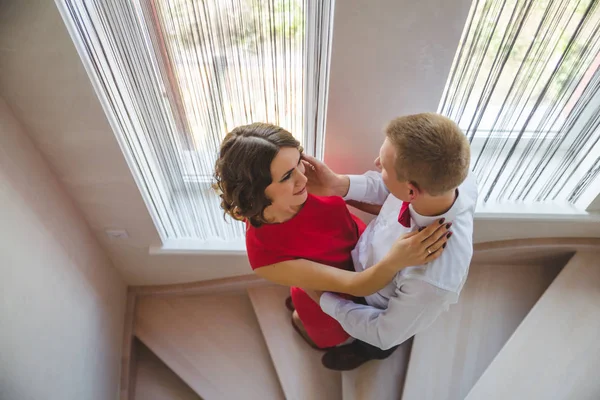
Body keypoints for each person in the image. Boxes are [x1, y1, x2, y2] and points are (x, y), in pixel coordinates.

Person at [214, 122, 451, 349]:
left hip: (363, 253)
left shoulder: (307, 185)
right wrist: (397, 260)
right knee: (332, 330)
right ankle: (304, 324)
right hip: (338, 289)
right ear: (254, 192)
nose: (303, 178)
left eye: (299, 162)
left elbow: (361, 199)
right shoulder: (265, 257)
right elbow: (358, 286)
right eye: (287, 176)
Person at [303, 112, 477, 370]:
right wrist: (340, 185)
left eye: (383, 166)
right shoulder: (446, 181)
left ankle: (363, 354)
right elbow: (389, 191)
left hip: (376, 307)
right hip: (360, 262)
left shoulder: (431, 281)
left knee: (376, 346)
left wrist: (323, 299)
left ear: (411, 191)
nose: (375, 163)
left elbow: (383, 332)